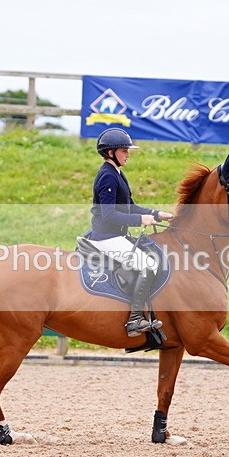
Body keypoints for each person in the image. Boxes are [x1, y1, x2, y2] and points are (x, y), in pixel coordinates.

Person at [87, 128, 174, 337]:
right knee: (148, 264)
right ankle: (135, 320)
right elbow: (109, 215)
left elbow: (130, 206)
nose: (128, 154)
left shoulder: (117, 173)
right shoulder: (107, 176)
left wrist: (156, 214)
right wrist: (140, 220)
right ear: (110, 153)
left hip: (117, 235)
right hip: (106, 237)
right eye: (124, 151)